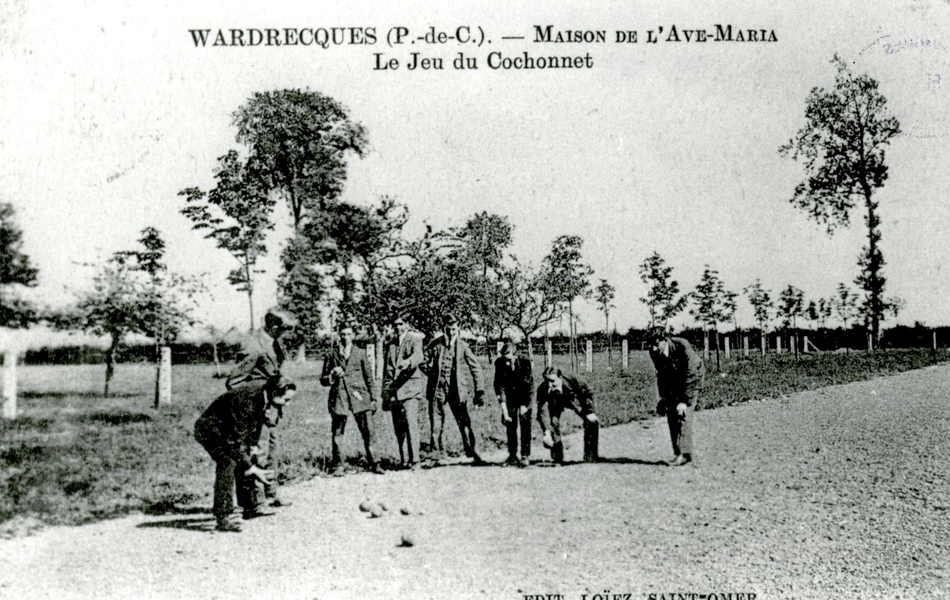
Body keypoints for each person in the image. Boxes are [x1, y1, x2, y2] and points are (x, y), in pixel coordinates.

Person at [194, 377, 297, 532]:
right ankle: (223, 517)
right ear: (275, 392)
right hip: (210, 430)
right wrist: (251, 468)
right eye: (286, 399)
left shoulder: (264, 395)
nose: (288, 404)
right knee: (228, 462)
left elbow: (254, 425)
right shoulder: (247, 401)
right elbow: (233, 442)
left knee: (245, 457)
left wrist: (252, 447)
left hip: (227, 431)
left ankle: (249, 506)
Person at [226, 307, 298, 509]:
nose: (287, 333)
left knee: (271, 452)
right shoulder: (253, 345)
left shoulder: (274, 344)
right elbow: (234, 382)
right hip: (254, 410)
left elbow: (274, 374)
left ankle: (271, 493)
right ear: (273, 326)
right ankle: (252, 502)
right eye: (284, 329)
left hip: (270, 411)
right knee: (254, 452)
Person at [320, 323, 383, 474]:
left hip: (359, 397)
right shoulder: (331, 354)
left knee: (369, 431)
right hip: (340, 397)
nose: (345, 337)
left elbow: (369, 377)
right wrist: (332, 375)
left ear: (353, 336)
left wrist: (373, 398)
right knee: (338, 433)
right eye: (343, 334)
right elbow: (323, 379)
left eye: (348, 334)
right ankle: (338, 465)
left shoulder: (360, 353)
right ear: (338, 335)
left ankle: (375, 463)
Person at [423, 315, 486, 464]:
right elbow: (423, 361)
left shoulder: (462, 346)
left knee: (464, 422)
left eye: (454, 329)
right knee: (436, 423)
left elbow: (475, 367)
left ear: (458, 328)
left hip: (457, 390)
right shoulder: (435, 344)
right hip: (438, 389)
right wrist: (432, 373)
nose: (451, 332)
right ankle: (436, 456)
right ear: (444, 328)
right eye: (448, 329)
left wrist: (480, 390)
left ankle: (474, 453)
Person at [646, 326, 705, 466]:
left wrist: (684, 400)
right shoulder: (654, 352)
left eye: (656, 344)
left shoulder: (682, 345)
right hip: (674, 382)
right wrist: (664, 399)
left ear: (665, 339)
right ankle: (680, 452)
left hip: (693, 378)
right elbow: (662, 375)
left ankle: (684, 454)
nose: (653, 348)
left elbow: (691, 374)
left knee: (683, 413)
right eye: (651, 345)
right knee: (671, 412)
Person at [382, 315, 426, 469]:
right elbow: (387, 370)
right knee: (398, 427)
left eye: (401, 324)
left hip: (410, 390)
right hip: (394, 391)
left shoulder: (414, 340)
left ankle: (415, 461)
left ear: (407, 325)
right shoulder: (391, 344)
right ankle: (404, 460)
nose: (398, 327)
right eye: (395, 325)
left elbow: (419, 356)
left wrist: (409, 362)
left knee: (411, 424)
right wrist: (385, 395)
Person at [536, 367, 600, 464]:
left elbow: (588, 393)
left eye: (552, 381)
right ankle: (557, 457)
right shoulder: (542, 389)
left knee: (592, 421)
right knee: (553, 422)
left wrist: (590, 411)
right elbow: (543, 412)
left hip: (574, 399)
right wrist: (547, 432)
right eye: (547, 381)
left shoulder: (572, 379)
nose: (549, 384)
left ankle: (590, 455)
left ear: (559, 377)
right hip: (555, 402)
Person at [493, 341, 534, 467]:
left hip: (524, 395)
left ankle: (525, 455)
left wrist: (524, 405)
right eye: (504, 356)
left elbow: (528, 384)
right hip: (510, 396)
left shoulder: (525, 362)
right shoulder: (499, 363)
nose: (506, 359)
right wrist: (504, 409)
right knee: (510, 424)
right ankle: (512, 455)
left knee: (525, 423)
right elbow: (499, 385)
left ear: (515, 354)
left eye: (509, 356)